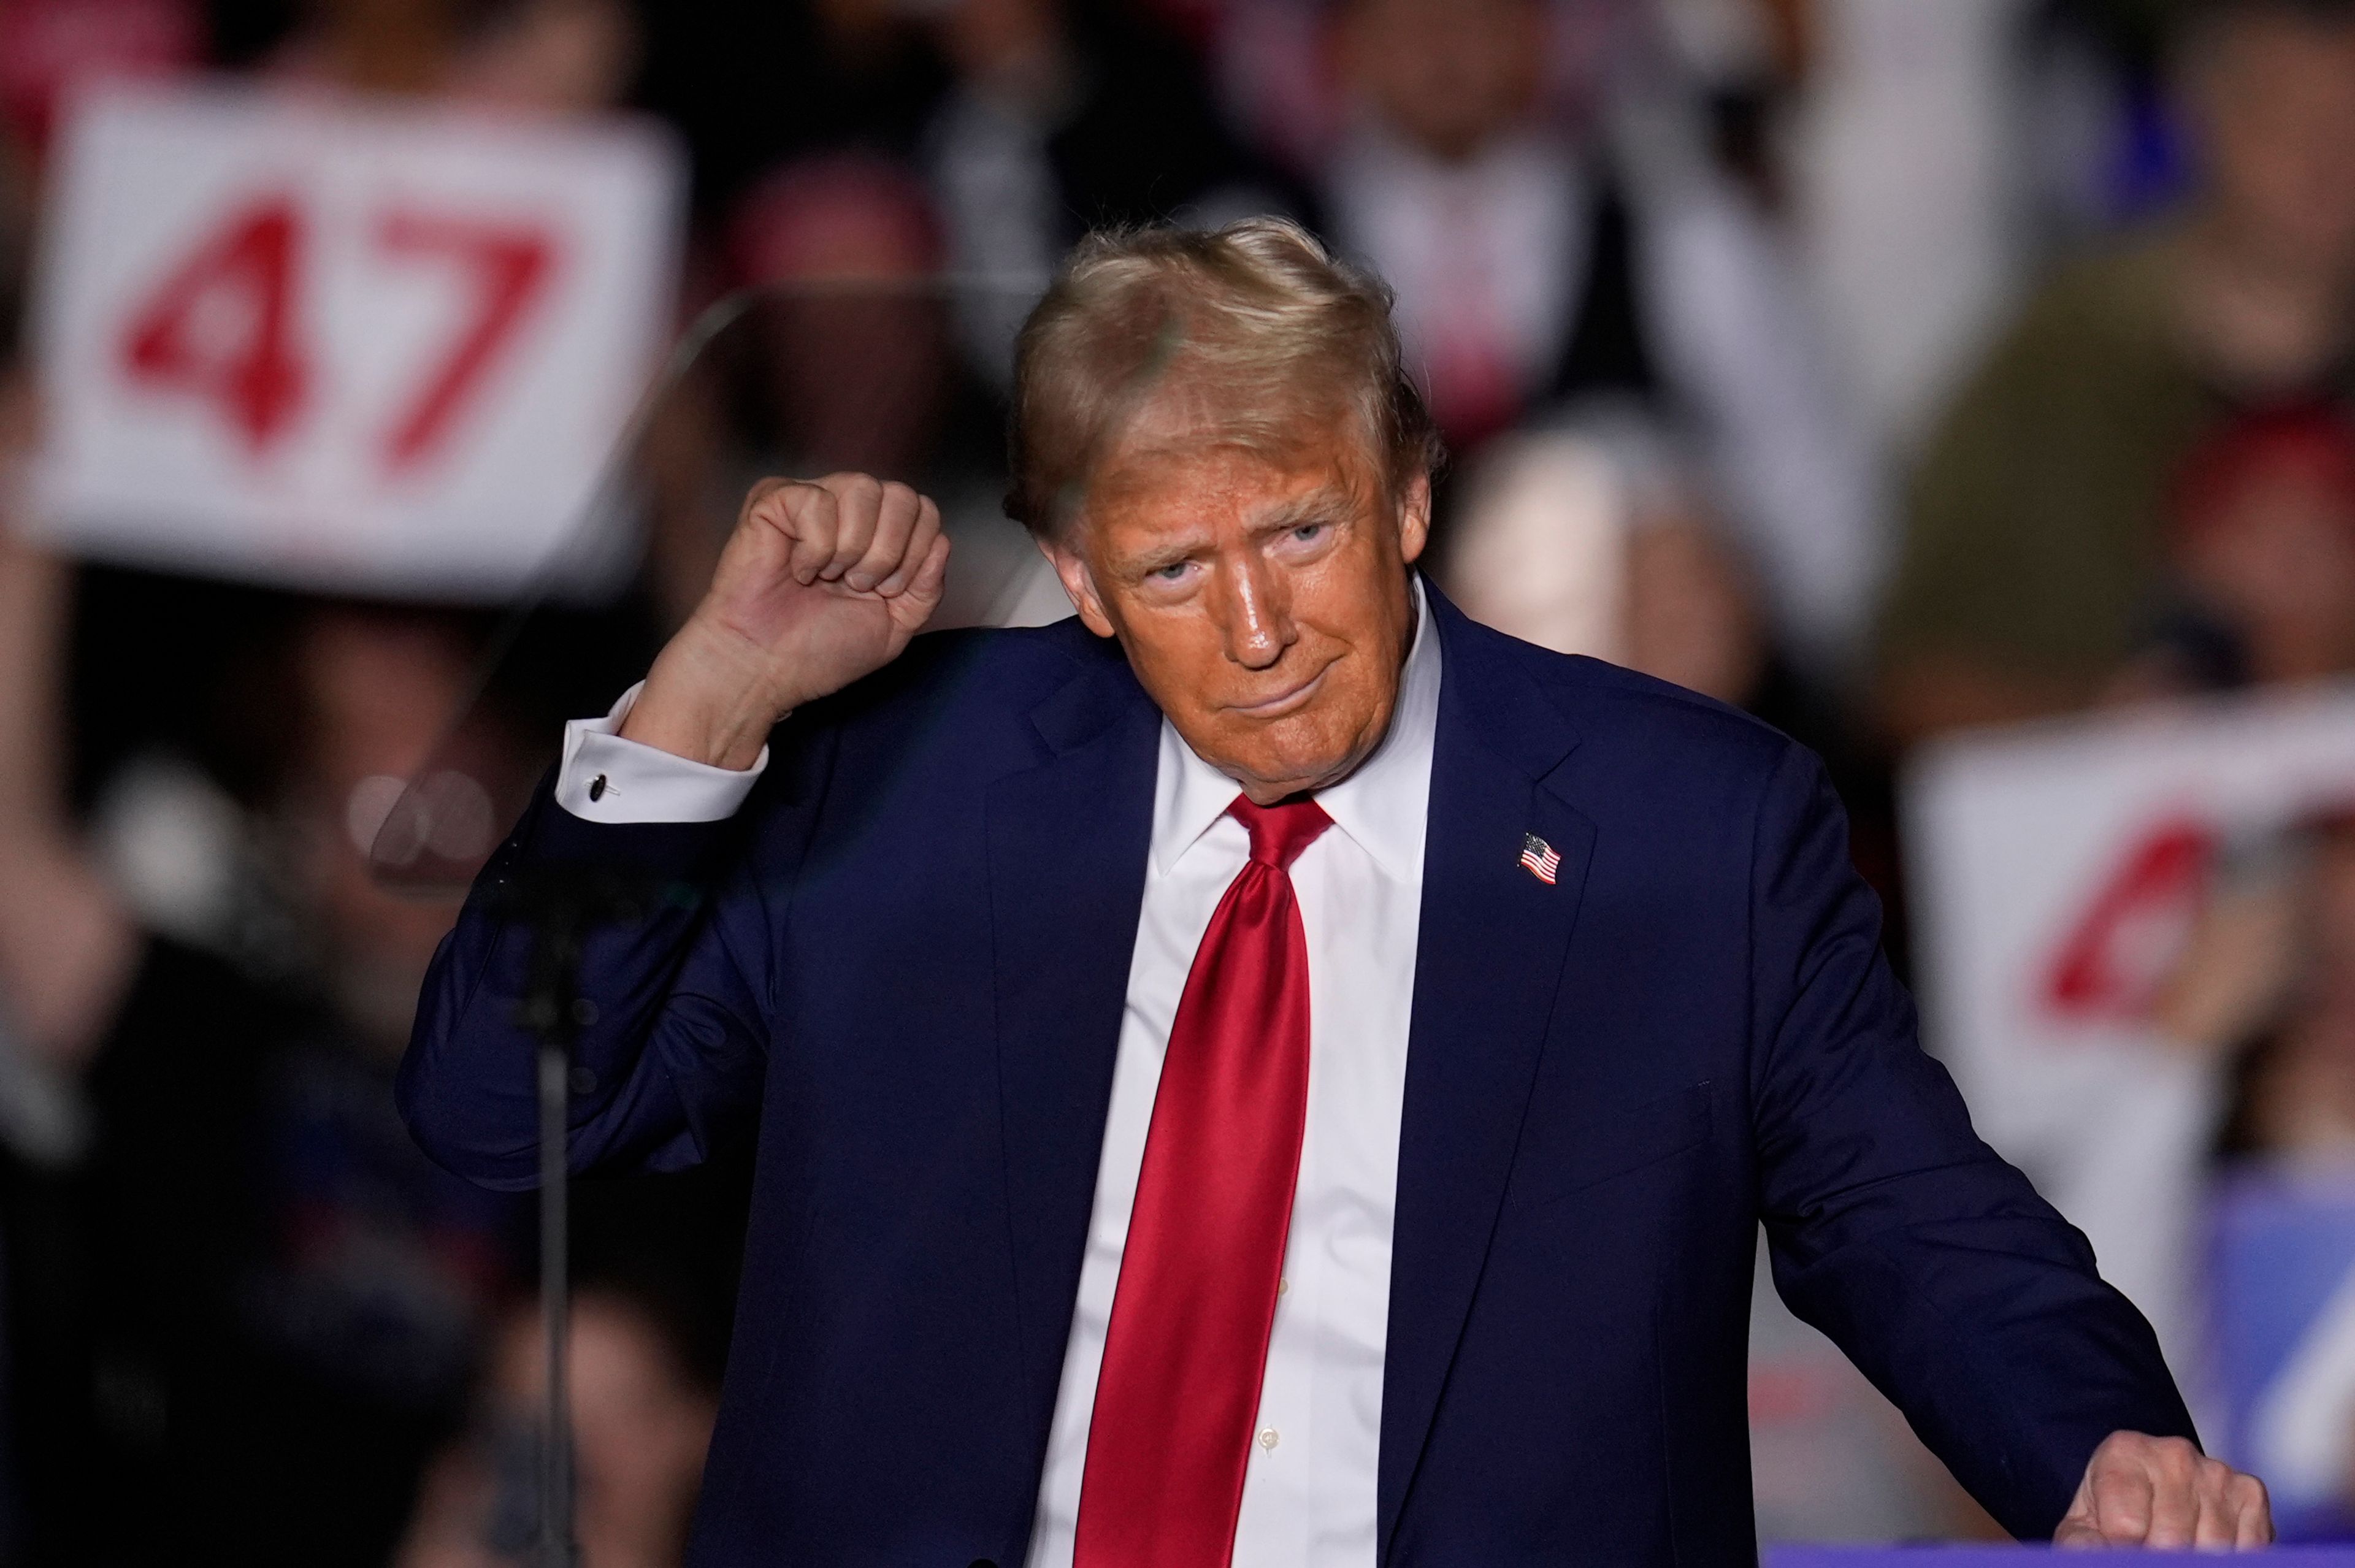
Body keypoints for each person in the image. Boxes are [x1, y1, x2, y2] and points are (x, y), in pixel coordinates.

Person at [401, 218, 2267, 1562]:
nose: (1259, 628)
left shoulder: (1688, 829)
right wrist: (702, 700)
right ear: (1072, 574)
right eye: (1173, 563)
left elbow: (1900, 1209)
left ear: (1403, 497)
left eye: (1297, 526)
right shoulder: (890, 778)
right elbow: (504, 1116)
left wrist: (2098, 1444)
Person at [1875, 0, 2355, 747]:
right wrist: (2112, 715)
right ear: (2199, 114)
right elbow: (1902, 688)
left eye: (2348, 117)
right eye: (2284, 109)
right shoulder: (2057, 367)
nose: (2324, 154)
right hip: (2114, 831)